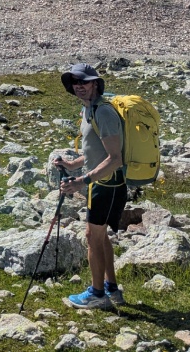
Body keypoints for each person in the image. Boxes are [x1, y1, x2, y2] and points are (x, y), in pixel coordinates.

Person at [55, 62, 127, 309]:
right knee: (99, 235)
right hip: (101, 182)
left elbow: (115, 157)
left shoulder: (103, 112)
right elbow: (95, 150)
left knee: (92, 236)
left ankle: (97, 295)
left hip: (108, 184)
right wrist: (73, 164)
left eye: (84, 82)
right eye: (75, 83)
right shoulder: (89, 111)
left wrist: (82, 181)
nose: (79, 87)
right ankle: (111, 289)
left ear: (95, 83)